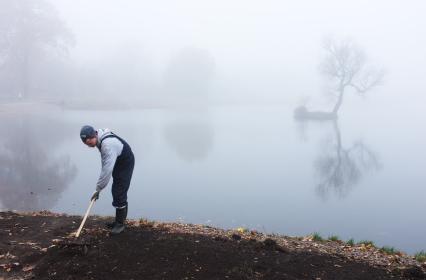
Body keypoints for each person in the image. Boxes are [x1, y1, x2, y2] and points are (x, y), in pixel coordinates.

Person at [80, 125, 135, 234]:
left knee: (119, 191)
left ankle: (120, 224)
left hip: (125, 162)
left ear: (94, 135)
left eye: (89, 142)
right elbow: (105, 163)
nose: (89, 145)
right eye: (86, 143)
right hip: (117, 160)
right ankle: (118, 221)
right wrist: (99, 188)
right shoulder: (99, 139)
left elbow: (106, 170)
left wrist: (98, 189)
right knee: (116, 190)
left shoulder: (107, 145)